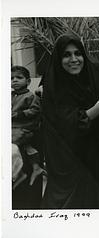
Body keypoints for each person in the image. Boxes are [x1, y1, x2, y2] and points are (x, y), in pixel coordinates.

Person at [40, 34, 99, 209]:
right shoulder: (53, 86)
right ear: (58, 59)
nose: (74, 59)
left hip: (97, 161)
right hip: (68, 162)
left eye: (78, 53)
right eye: (67, 55)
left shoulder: (97, 76)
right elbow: (64, 124)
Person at [11, 65, 45, 208]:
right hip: (14, 127)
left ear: (28, 81)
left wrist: (21, 114)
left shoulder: (30, 96)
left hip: (26, 127)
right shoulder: (11, 96)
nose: (14, 81)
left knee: (12, 144)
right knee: (26, 147)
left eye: (19, 78)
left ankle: (17, 173)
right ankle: (34, 167)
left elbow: (35, 110)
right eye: (12, 78)